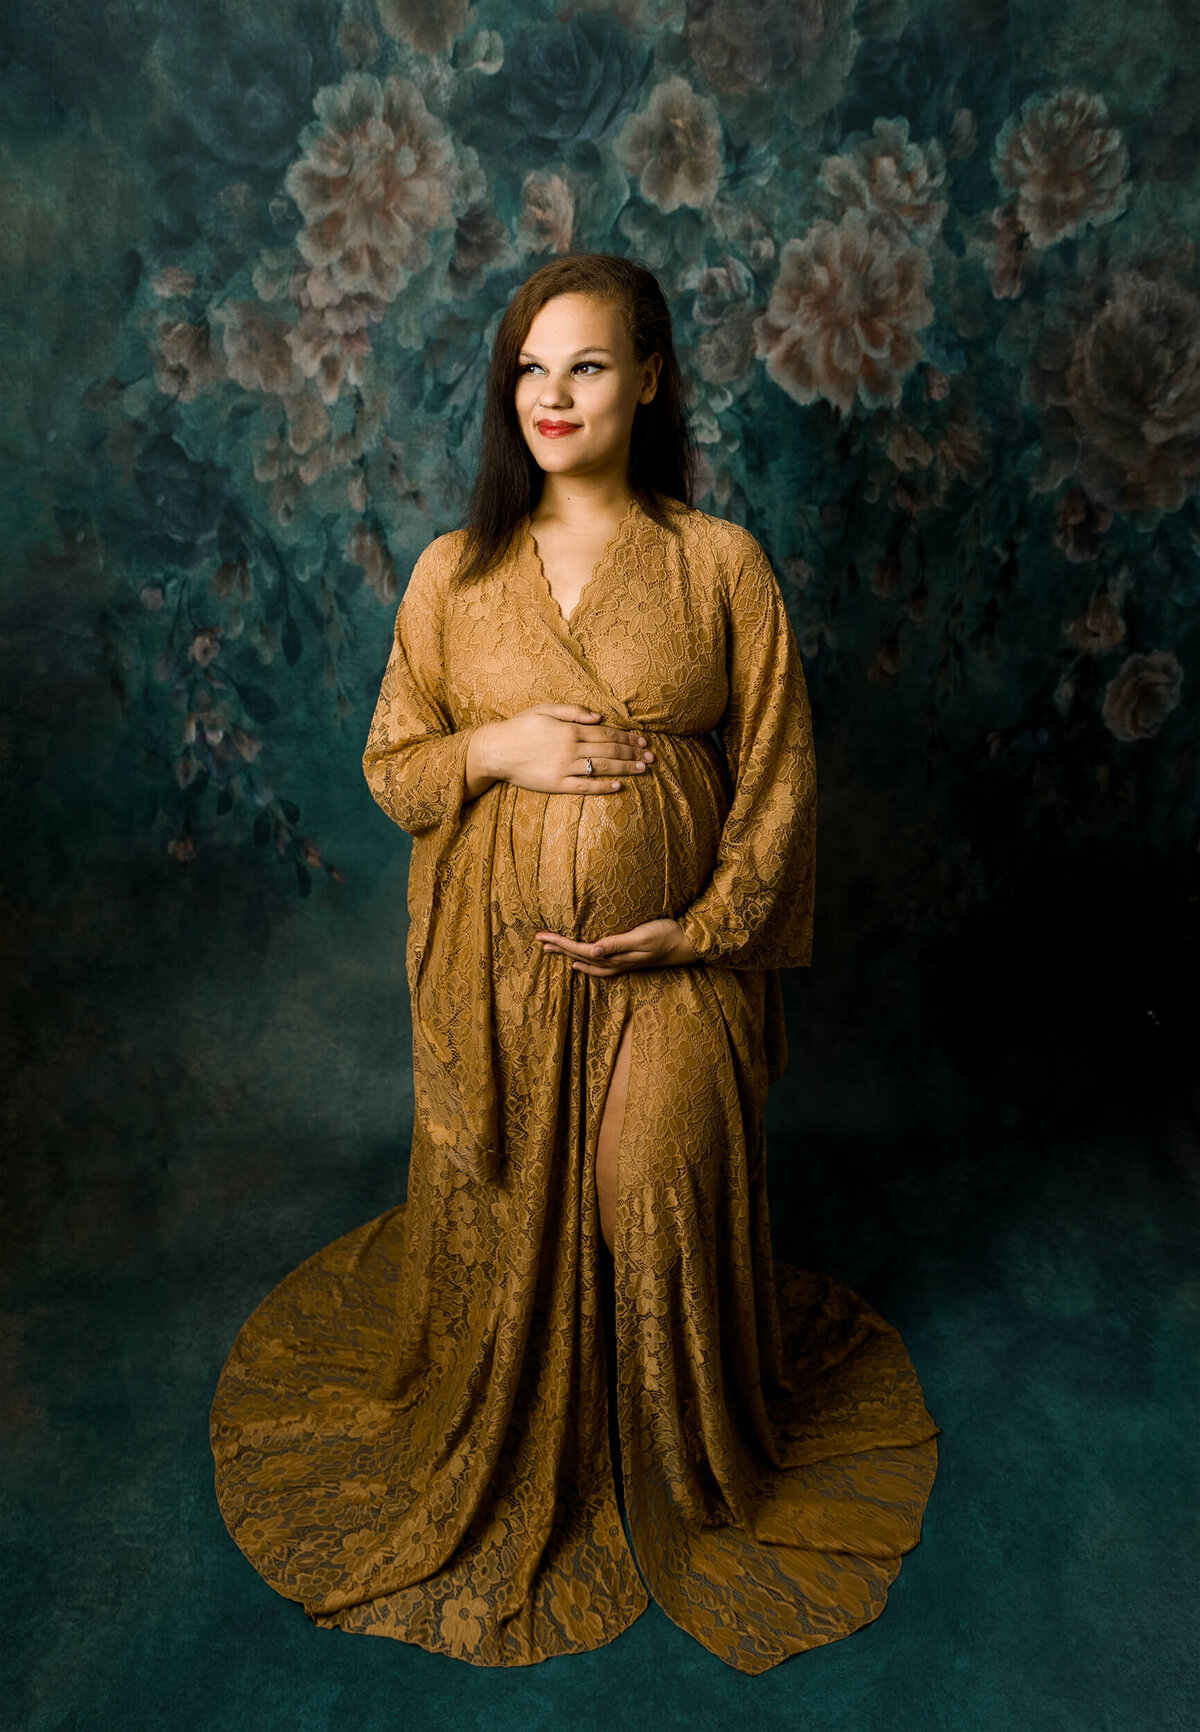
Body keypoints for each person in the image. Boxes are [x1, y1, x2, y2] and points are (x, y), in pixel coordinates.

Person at [210, 253, 940, 1676]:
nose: (554, 395)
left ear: (650, 377)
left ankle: (678, 1467)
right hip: (501, 981)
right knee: (516, 1206)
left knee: (650, 1171)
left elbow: (783, 775)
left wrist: (707, 925)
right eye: (532, 370)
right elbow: (393, 765)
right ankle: (528, 1436)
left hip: (673, 969)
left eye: (588, 365)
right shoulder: (456, 573)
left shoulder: (719, 566)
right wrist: (498, 748)